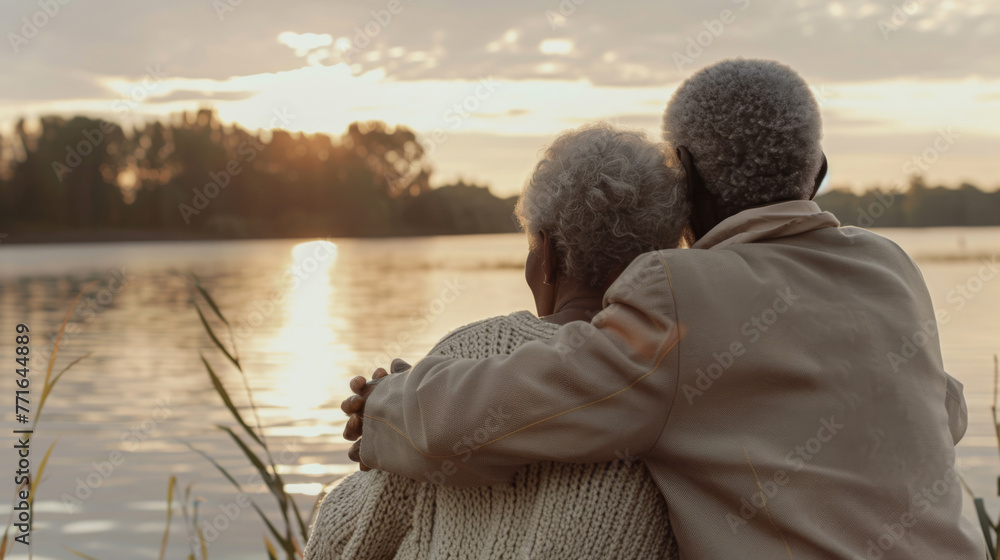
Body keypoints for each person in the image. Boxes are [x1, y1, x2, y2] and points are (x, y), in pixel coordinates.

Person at [342, 59, 985, 559]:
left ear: (687, 178)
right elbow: (942, 408)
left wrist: (389, 406)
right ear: (816, 171)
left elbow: (518, 403)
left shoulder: (683, 292)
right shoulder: (890, 266)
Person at [306, 123, 689, 559]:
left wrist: (384, 416)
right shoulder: (682, 375)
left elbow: (341, 542)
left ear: (544, 255)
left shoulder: (459, 362)